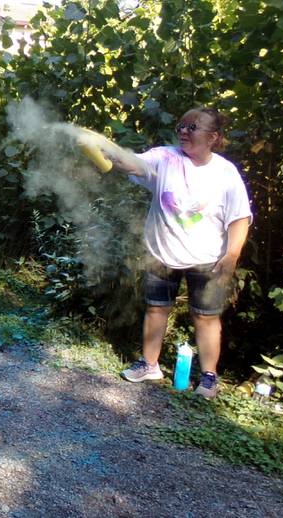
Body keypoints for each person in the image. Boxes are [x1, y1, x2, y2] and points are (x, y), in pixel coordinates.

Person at [115, 107, 252, 399]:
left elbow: (239, 218)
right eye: (182, 125)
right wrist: (110, 153)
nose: (184, 131)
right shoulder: (164, 157)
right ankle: (150, 365)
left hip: (206, 259)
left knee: (205, 317)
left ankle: (209, 377)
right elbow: (135, 165)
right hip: (161, 253)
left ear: (213, 137)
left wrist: (231, 257)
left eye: (193, 127)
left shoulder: (226, 173)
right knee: (156, 308)